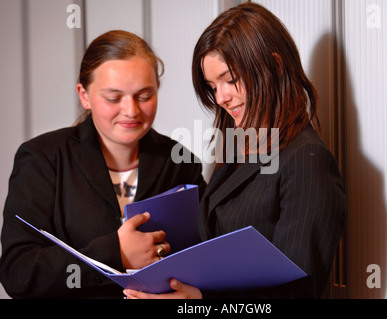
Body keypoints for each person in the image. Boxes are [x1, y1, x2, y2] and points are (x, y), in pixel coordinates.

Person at [123, 2, 347, 299]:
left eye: (230, 80)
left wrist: (200, 303)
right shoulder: (239, 148)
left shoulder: (307, 161)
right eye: (213, 86)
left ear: (276, 67)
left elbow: (297, 293)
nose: (221, 98)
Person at [0, 30, 205, 298]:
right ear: (84, 95)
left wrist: (195, 298)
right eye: (113, 98)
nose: (131, 110)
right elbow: (18, 273)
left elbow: (208, 254)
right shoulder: (43, 158)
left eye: (144, 96)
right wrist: (114, 253)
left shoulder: (180, 160)